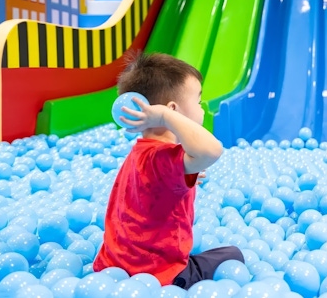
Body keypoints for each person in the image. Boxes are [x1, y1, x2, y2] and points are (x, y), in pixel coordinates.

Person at [93, 52, 243, 289]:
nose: (202, 109)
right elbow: (212, 150)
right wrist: (164, 115)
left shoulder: (142, 153)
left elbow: (153, 189)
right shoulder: (163, 158)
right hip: (159, 277)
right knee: (233, 254)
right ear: (173, 111)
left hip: (112, 268)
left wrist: (187, 175)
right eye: (198, 101)